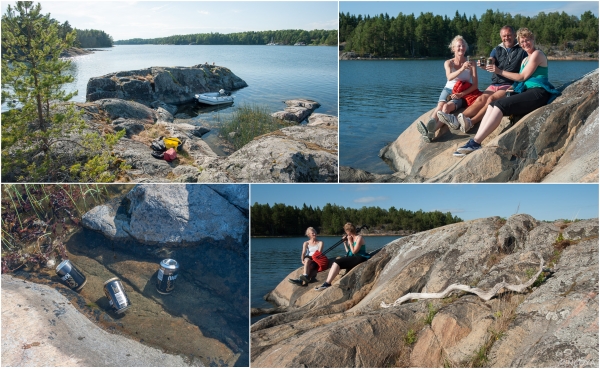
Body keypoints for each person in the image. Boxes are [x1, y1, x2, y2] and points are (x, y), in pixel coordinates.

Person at [454, 28, 560, 156]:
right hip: (527, 91)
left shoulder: (537, 54)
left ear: (533, 39)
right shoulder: (526, 59)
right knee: (492, 105)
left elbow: (522, 77)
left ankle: (475, 142)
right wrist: (512, 88)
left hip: (539, 92)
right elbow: (521, 81)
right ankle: (475, 140)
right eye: (522, 42)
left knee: (500, 105)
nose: (525, 44)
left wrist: (498, 71)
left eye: (527, 40)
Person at [437, 26, 527, 133]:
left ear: (514, 35)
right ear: (501, 36)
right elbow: (491, 59)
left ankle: (471, 122)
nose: (506, 38)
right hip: (495, 83)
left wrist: (498, 70)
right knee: (480, 99)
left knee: (491, 100)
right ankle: (457, 120)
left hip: (510, 84)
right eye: (504, 36)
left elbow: (523, 73)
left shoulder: (521, 50)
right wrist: (485, 64)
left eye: (509, 35)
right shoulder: (497, 49)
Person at [417, 35, 479, 142]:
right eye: (458, 46)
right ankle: (430, 125)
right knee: (440, 106)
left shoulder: (471, 63)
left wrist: (462, 94)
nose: (461, 48)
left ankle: (430, 131)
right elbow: (449, 77)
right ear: (453, 48)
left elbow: (475, 85)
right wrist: (462, 69)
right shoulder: (448, 62)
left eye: (463, 46)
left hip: (460, 92)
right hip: (448, 89)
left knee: (445, 108)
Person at [315, 223, 370, 291]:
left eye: (346, 231)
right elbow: (348, 251)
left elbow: (354, 252)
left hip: (360, 257)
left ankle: (327, 283)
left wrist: (350, 241)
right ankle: (327, 282)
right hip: (353, 257)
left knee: (337, 262)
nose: (345, 233)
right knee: (338, 261)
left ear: (348, 231)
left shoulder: (359, 238)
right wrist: (345, 243)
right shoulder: (351, 238)